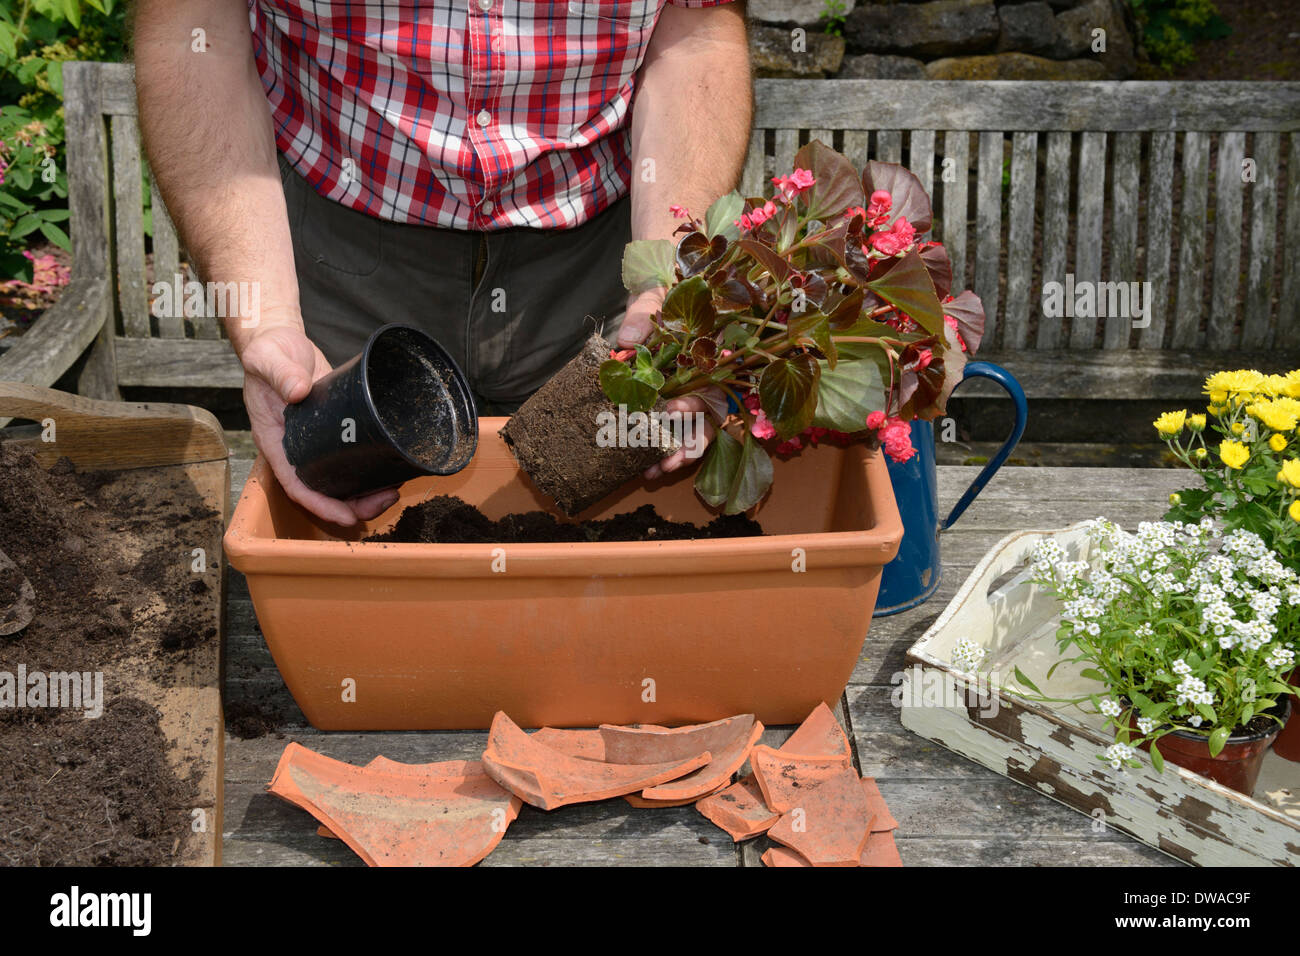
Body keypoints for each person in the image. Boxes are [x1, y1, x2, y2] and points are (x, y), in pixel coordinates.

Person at [133, 0, 752, 525]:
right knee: (358, 545)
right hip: (340, 250)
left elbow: (694, 40)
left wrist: (669, 287)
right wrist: (268, 318)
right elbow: (196, 31)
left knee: (597, 561)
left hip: (601, 258)